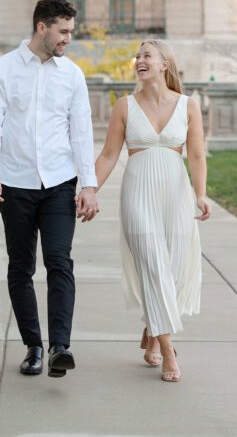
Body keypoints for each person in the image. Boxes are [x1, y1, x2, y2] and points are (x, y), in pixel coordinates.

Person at [0, 0, 100, 379]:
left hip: (60, 183)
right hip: (15, 183)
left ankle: (60, 347)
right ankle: (33, 345)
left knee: (60, 262)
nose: (67, 39)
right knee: (21, 266)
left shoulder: (72, 75)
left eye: (70, 31)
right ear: (41, 27)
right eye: (62, 31)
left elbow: (81, 132)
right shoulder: (3, 69)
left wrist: (89, 184)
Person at [93, 39, 211, 382]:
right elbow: (109, 155)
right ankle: (169, 350)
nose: (139, 60)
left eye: (147, 55)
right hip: (137, 192)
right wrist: (88, 190)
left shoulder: (188, 105)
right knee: (153, 264)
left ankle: (151, 327)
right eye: (137, 56)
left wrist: (201, 195)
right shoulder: (124, 106)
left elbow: (198, 154)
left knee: (171, 269)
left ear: (164, 64)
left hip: (176, 192)